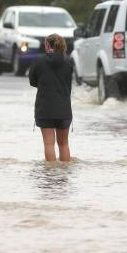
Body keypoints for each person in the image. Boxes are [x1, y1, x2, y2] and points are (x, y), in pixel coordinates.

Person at [29, 34, 73, 162]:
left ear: (47, 45)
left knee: (49, 144)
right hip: (64, 109)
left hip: (45, 108)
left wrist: (44, 84)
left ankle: (51, 174)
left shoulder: (39, 61)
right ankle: (64, 174)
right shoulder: (69, 61)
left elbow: (32, 81)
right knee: (63, 144)